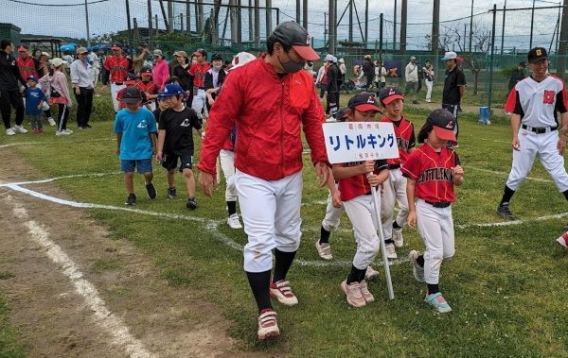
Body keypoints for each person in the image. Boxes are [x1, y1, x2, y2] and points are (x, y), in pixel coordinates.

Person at [197, 21, 331, 341]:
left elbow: (314, 119)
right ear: (276, 49)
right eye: (297, 55)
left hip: (291, 172)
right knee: (259, 241)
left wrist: (320, 157)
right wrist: (206, 164)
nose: (303, 63)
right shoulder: (242, 77)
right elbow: (220, 120)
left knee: (290, 236)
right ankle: (264, 310)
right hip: (253, 173)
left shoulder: (303, 79)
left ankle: (278, 279)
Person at [498, 47, 568, 235]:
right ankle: (503, 205)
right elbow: (516, 113)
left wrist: (563, 135)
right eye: (536, 62)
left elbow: (564, 110)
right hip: (526, 134)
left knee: (559, 174)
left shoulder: (557, 84)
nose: (541, 65)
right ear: (530, 65)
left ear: (547, 62)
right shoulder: (521, 86)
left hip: (550, 135)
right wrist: (515, 135)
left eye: (543, 61)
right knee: (519, 173)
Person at [331, 93, 389, 308]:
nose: (369, 118)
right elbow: (336, 174)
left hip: (373, 194)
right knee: (370, 244)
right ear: (350, 114)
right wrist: (360, 169)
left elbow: (385, 170)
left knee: (371, 240)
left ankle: (360, 279)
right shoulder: (341, 137)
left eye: (372, 114)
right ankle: (351, 282)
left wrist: (378, 177)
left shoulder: (375, 135)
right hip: (353, 195)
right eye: (364, 113)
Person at [403, 109, 464, 314]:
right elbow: (411, 184)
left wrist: (458, 177)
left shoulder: (452, 155)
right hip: (427, 207)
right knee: (436, 252)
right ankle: (432, 293)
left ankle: (419, 261)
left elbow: (458, 182)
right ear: (428, 130)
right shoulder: (418, 155)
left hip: (446, 209)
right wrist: (412, 210)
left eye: (447, 137)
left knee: (448, 252)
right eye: (440, 135)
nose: (444, 141)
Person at [379, 86, 416, 260]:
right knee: (386, 208)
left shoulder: (409, 125)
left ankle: (397, 226)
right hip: (385, 170)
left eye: (398, 101)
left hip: (402, 171)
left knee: (408, 206)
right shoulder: (379, 125)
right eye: (391, 103)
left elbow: (411, 149)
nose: (396, 106)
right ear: (384, 106)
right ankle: (387, 241)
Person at [156, 83, 204, 209]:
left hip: (186, 148)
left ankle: (192, 199)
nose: (168, 101)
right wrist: (159, 150)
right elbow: (162, 132)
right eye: (166, 98)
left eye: (170, 98)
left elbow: (199, 129)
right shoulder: (164, 114)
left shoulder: (190, 113)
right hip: (169, 148)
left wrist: (205, 136)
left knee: (187, 172)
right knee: (170, 170)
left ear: (180, 97)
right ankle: (171, 188)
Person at [113, 86, 157, 206]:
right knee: (129, 173)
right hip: (127, 149)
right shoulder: (121, 115)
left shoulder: (147, 114)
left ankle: (148, 183)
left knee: (148, 173)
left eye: (132, 103)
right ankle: (131, 194)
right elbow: (119, 132)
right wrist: (118, 147)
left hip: (144, 148)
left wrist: (154, 147)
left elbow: (152, 131)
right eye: (127, 103)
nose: (130, 105)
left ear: (139, 101)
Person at [0, 39, 28, 135]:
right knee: (6, 108)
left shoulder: (12, 58)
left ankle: (18, 125)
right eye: (12, 45)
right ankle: (8, 128)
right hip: (3, 87)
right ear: (7, 46)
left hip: (14, 87)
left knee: (20, 106)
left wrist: (26, 85)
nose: (13, 46)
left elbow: (18, 74)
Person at [441, 51, 466, 144]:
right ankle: (447, 137)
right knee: (446, 119)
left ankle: (453, 140)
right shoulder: (447, 71)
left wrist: (459, 98)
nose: (446, 63)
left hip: (453, 101)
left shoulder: (459, 72)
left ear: (452, 61)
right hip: (445, 100)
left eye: (447, 61)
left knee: (453, 119)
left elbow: (462, 87)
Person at [70, 47, 95, 129]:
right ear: (78, 55)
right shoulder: (74, 64)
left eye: (85, 54)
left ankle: (85, 122)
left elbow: (91, 77)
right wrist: (77, 87)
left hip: (89, 87)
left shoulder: (88, 64)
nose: (84, 56)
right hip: (80, 86)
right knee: (82, 105)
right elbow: (74, 76)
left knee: (89, 105)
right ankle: (80, 123)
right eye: (82, 54)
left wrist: (93, 87)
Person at [49, 58, 73, 136]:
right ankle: (59, 130)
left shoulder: (54, 73)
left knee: (65, 112)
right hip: (62, 96)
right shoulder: (60, 75)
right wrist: (68, 99)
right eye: (62, 64)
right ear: (60, 65)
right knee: (63, 113)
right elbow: (64, 88)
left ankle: (63, 128)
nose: (63, 65)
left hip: (58, 96)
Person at [104, 43, 131, 112]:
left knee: (126, 104)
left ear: (121, 49)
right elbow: (106, 72)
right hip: (114, 84)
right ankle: (119, 120)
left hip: (125, 84)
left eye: (117, 50)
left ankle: (126, 120)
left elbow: (131, 73)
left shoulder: (127, 60)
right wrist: (105, 83)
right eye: (113, 50)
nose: (115, 51)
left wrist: (130, 84)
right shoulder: (109, 59)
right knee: (116, 105)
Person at [188, 49, 211, 124]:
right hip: (196, 88)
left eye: (198, 56)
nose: (196, 57)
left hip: (207, 89)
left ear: (204, 57)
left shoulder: (210, 66)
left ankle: (210, 122)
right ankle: (200, 120)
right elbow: (191, 78)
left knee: (208, 108)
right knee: (195, 108)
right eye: (196, 56)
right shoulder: (194, 66)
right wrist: (189, 89)